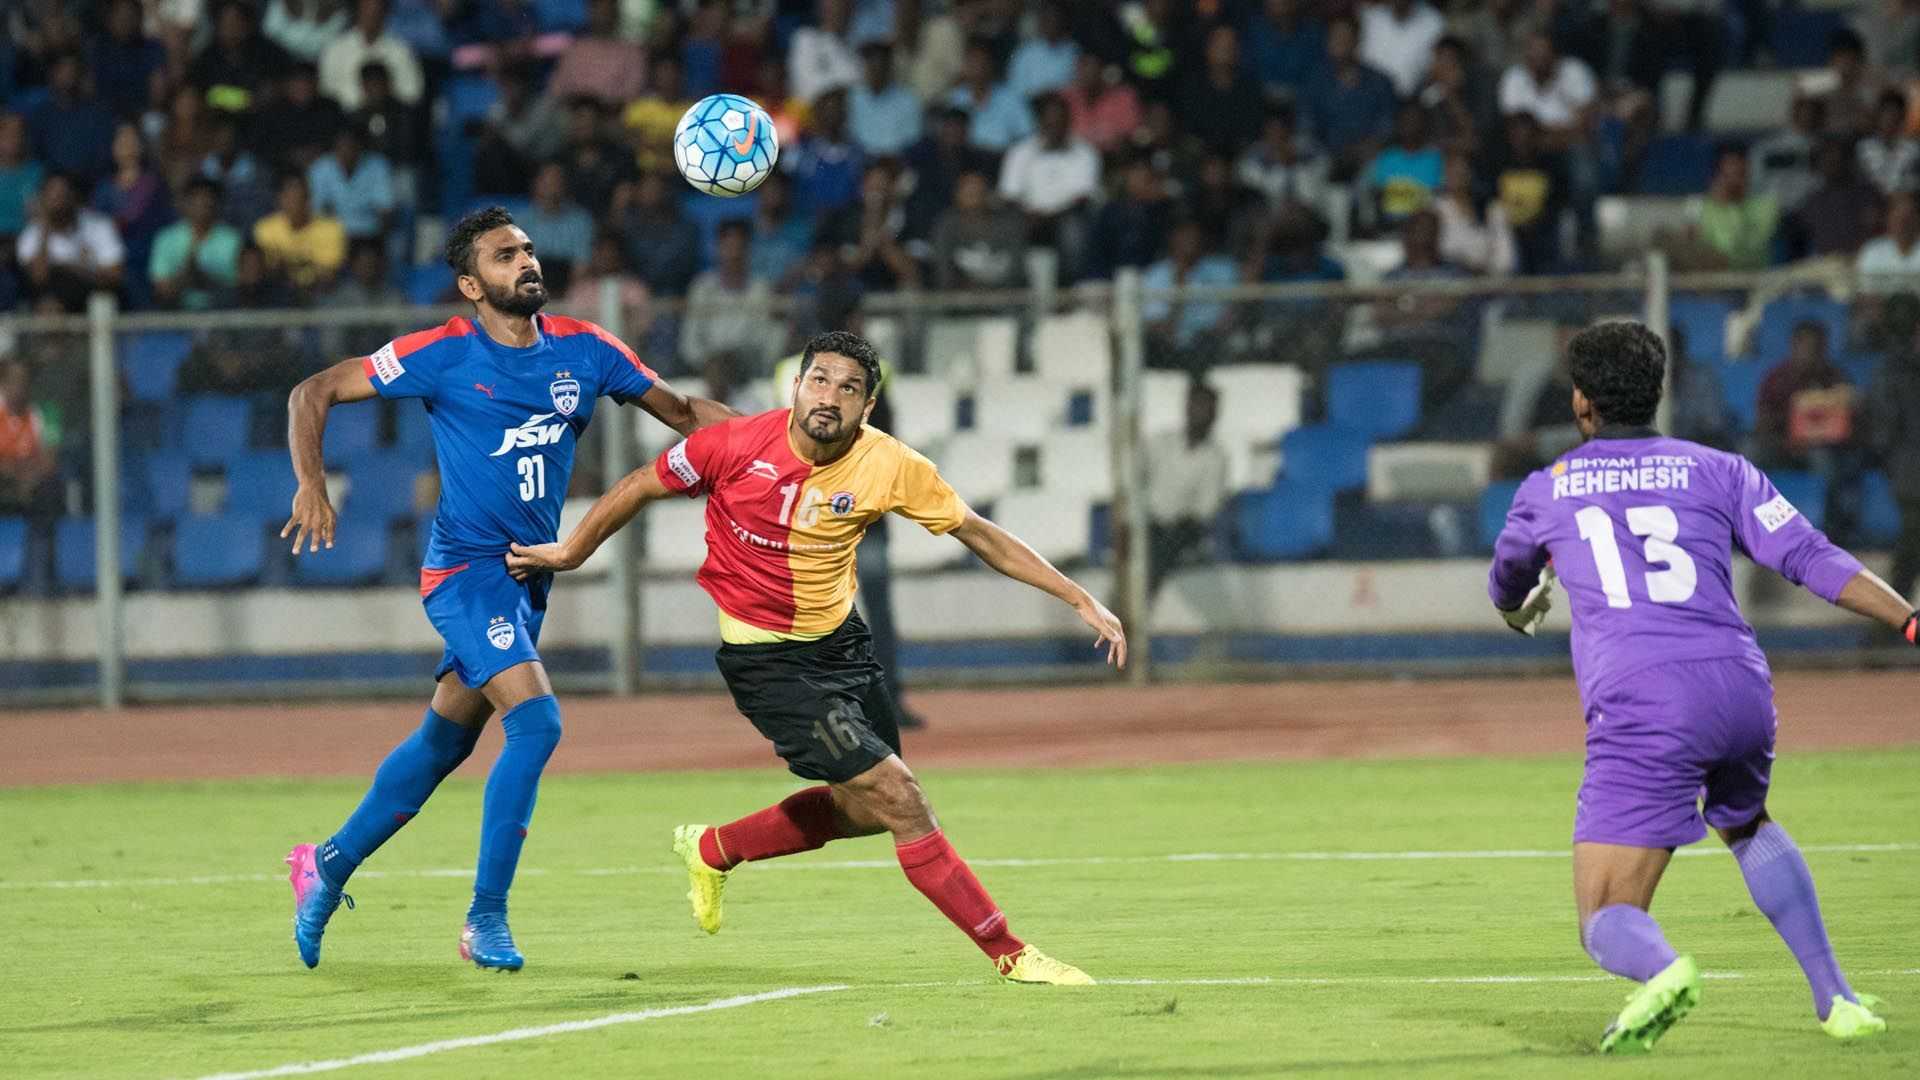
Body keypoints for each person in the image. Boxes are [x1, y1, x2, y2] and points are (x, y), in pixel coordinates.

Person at [505, 330, 1124, 985]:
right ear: (796, 386)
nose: (830, 397)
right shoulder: (734, 444)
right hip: (769, 664)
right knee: (900, 796)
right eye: (820, 380)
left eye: (849, 388)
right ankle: (1010, 953)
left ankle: (714, 848)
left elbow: (978, 533)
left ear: (868, 406)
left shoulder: (889, 464)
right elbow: (640, 483)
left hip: (842, 647)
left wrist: (1078, 595)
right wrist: (571, 551)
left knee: (867, 810)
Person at [278, 206, 733, 972]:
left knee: (444, 742)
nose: (525, 262)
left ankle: (325, 864)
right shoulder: (442, 353)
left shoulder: (587, 349)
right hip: (465, 573)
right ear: (470, 285)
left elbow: (686, 413)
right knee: (537, 722)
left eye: (526, 250)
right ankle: (484, 918)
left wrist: (770, 442)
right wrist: (311, 483)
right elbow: (312, 390)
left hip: (526, 579)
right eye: (503, 255)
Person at [1487, 320, 1904, 1054]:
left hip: (1645, 703)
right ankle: (1837, 998)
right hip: (1741, 689)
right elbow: (1808, 556)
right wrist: (1908, 619)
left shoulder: (1546, 488)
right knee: (1747, 824)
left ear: (1581, 401)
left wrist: (1523, 599)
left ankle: (1664, 971)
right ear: (1658, 391)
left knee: (1604, 915)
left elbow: (1507, 587)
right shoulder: (1720, 469)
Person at [1142, 378, 1228, 597]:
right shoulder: (1161, 443)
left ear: (1215, 414)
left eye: (1207, 408)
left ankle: (1140, 599)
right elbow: (1138, 480)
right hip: (1150, 523)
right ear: (1187, 407)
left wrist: (1176, 522)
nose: (1201, 413)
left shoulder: (1216, 457)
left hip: (1185, 529)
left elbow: (1206, 508)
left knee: (1173, 539)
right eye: (1196, 405)